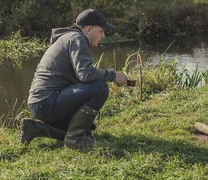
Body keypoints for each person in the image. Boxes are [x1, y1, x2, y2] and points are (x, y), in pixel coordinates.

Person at [19, 9, 128, 148]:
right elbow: (86, 74)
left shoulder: (69, 37)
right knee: (99, 88)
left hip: (40, 103)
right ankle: (74, 139)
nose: (103, 36)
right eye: (101, 31)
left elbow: (80, 77)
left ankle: (33, 128)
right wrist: (113, 75)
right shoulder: (77, 39)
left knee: (87, 129)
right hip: (47, 103)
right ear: (89, 29)